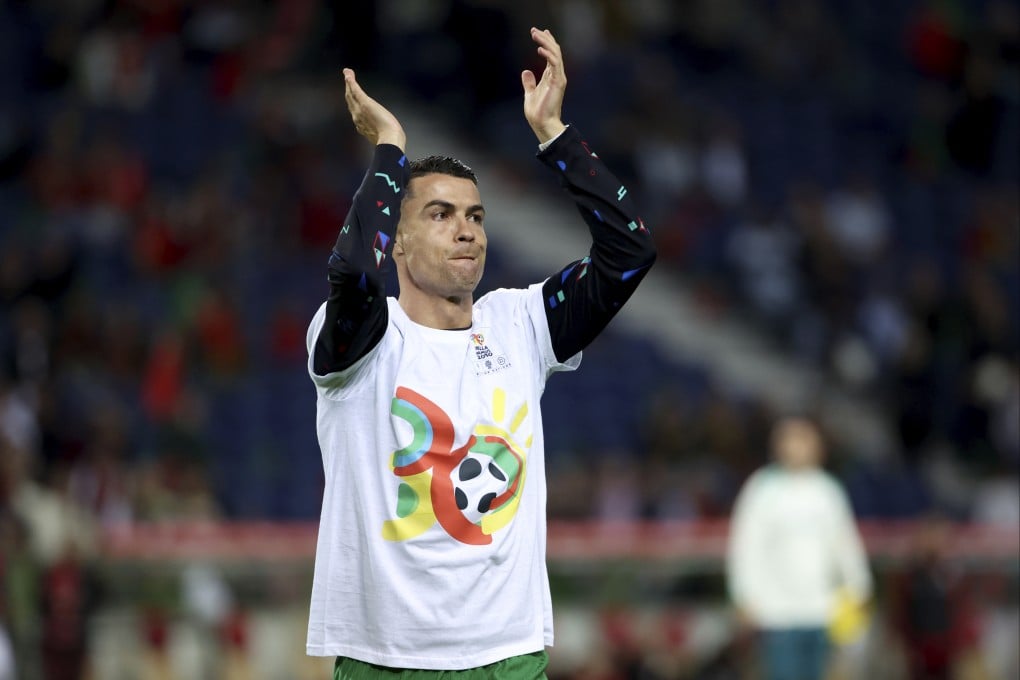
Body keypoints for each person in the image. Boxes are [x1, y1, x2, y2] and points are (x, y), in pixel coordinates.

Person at [304, 27, 656, 678]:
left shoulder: (520, 323)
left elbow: (630, 253)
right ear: (397, 243)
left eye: (475, 215)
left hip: (508, 656)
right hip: (388, 660)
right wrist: (389, 150)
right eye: (438, 214)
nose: (466, 227)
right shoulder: (358, 336)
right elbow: (352, 271)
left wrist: (555, 136)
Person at [726, 417, 872, 680]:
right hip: (776, 612)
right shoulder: (762, 489)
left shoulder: (827, 490)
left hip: (821, 609)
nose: (799, 446)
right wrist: (743, 595)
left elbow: (844, 543)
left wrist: (859, 585)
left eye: (805, 439)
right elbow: (745, 546)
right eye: (791, 439)